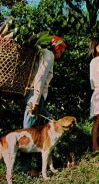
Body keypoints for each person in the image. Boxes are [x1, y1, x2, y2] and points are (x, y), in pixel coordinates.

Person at [21, 35, 66, 175]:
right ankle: (26, 168)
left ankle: (47, 159)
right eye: (62, 49)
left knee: (53, 123)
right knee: (28, 131)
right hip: (35, 97)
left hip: (35, 96)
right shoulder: (49, 55)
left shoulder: (42, 53)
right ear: (57, 47)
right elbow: (40, 78)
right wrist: (35, 101)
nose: (62, 53)